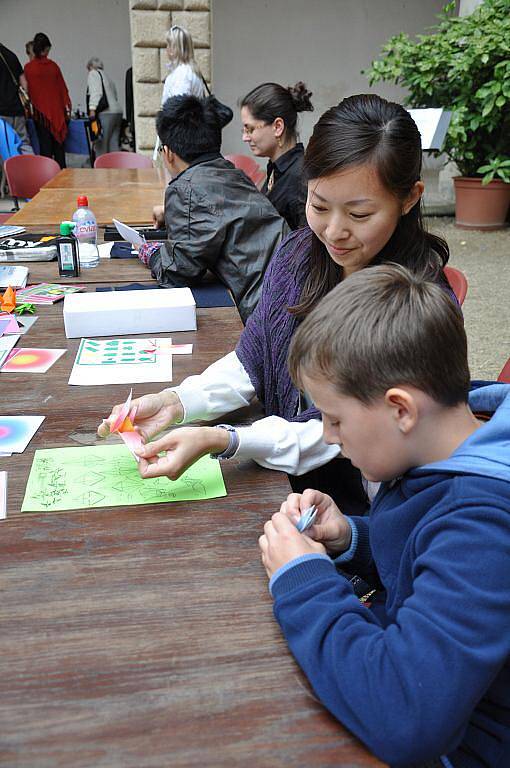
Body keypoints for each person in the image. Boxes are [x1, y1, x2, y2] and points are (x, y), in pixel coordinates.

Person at [98, 94, 449, 515]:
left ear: (409, 198)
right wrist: (178, 402)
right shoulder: (301, 252)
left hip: (353, 510)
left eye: (359, 215)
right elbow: (256, 354)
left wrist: (228, 439)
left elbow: (341, 429)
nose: (334, 232)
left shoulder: (415, 300)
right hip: (288, 481)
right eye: (319, 205)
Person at [259, 264, 510, 768]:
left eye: (335, 418)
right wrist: (352, 537)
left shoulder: (483, 526)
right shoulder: (456, 439)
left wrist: (302, 578)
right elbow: (429, 553)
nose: (329, 436)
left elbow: (405, 716)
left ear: (401, 409)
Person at [136, 94, 288, 323]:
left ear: (167, 152)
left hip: (265, 313)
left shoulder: (184, 189)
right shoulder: (232, 172)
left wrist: (150, 252)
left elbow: (178, 271)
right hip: (289, 289)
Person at [241, 81, 313, 229]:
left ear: (277, 127)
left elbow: (305, 242)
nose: (245, 138)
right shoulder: (277, 169)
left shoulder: (299, 176)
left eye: (250, 129)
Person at [153, 25, 207, 161]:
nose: (166, 49)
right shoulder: (190, 71)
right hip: (186, 139)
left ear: (174, 48)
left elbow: (178, 111)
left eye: (168, 45)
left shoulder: (182, 74)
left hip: (180, 142)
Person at [24, 33, 71, 168]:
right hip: (57, 114)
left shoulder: (28, 68)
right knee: (59, 150)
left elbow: (27, 92)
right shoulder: (53, 67)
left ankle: (48, 179)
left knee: (45, 150)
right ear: (45, 49)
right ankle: (63, 179)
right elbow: (62, 89)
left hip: (40, 115)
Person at [0, 43, 33, 154]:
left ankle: (9, 171)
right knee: (23, 143)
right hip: (17, 109)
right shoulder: (11, 55)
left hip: (2, 111)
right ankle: (31, 169)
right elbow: (24, 84)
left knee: (4, 149)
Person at [86, 58, 123, 156]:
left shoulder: (93, 73)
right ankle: (117, 169)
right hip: (117, 112)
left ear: (90, 67)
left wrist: (92, 109)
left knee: (101, 147)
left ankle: (101, 170)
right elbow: (114, 95)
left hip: (106, 113)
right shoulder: (108, 77)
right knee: (114, 146)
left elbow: (96, 92)